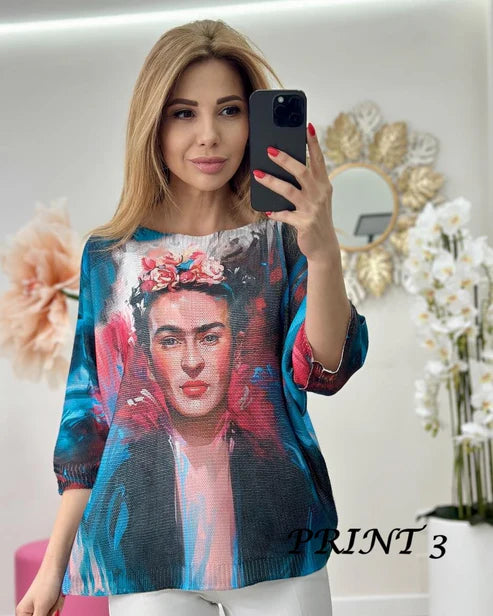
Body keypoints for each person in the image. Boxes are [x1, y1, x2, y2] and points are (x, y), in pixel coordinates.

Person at [15, 18, 369, 616]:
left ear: (253, 122)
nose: (209, 135)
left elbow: (325, 369)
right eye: (184, 113)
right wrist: (54, 570)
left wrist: (324, 249)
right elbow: (90, 426)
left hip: (280, 548)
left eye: (229, 110)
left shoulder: (280, 240)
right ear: (153, 124)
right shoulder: (110, 257)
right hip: (143, 560)